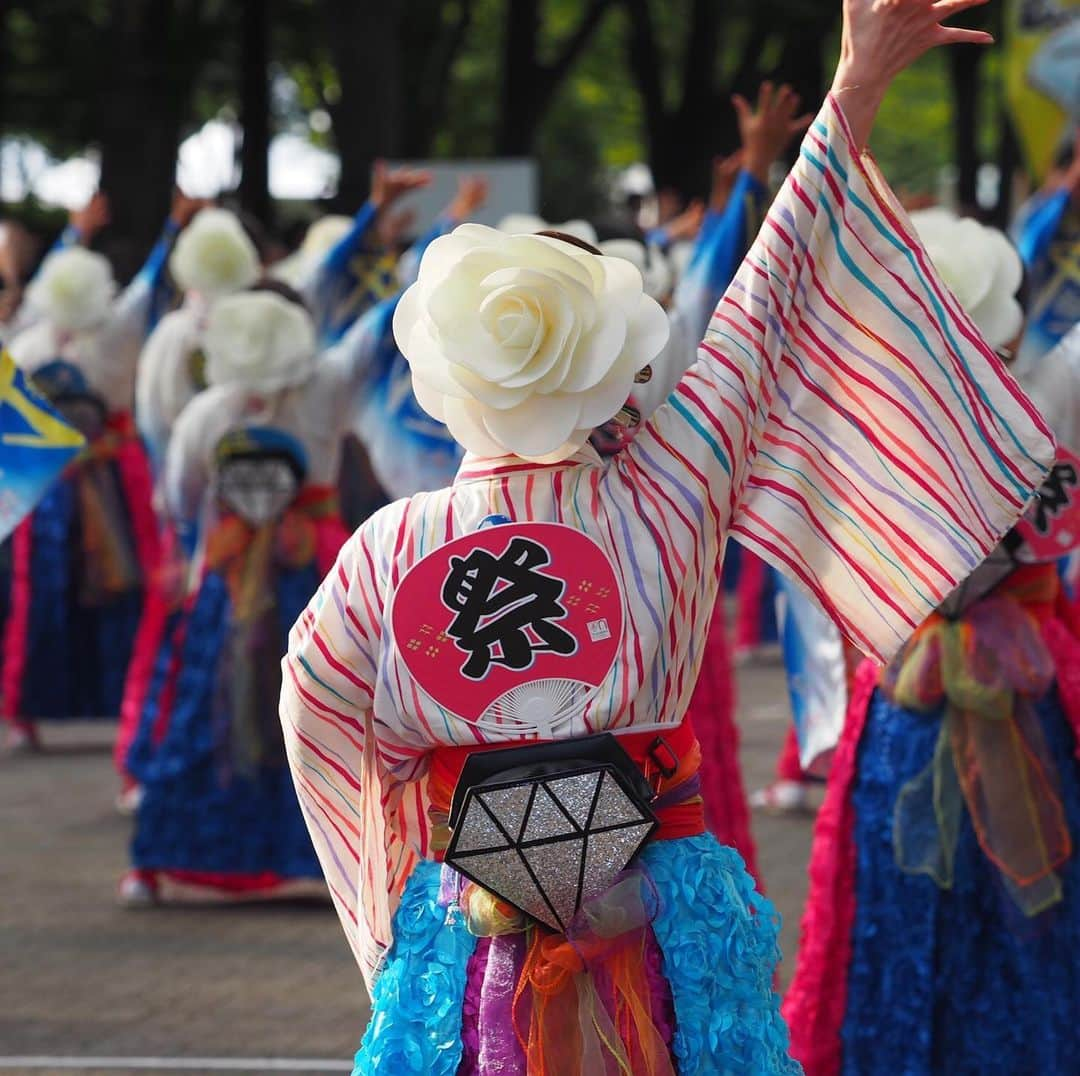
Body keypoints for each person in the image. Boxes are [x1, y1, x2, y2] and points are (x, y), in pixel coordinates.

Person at [281, 2, 1049, 1070]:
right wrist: (853, 88)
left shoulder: (386, 546)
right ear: (609, 366)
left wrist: (396, 883)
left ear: (450, 379)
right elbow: (764, 302)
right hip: (658, 906)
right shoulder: (669, 490)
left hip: (471, 916)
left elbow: (316, 706)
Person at [783, 206, 1080, 1075]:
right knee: (1024, 914)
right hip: (1025, 687)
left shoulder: (861, 425)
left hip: (908, 699)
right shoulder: (1053, 394)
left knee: (909, 914)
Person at [122, 282, 391, 903]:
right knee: (334, 700)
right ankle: (340, 857)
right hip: (311, 571)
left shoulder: (209, 411)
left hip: (235, 574)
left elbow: (182, 498)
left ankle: (164, 856)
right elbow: (370, 334)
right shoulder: (323, 384)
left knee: (204, 705)